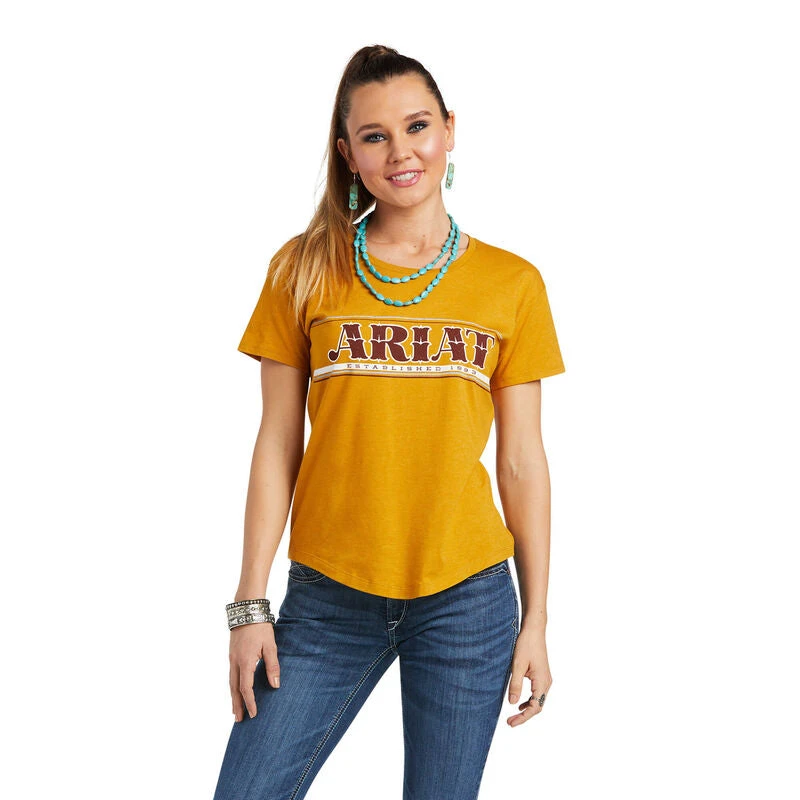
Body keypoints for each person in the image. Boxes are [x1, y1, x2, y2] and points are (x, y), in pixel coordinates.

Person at [213, 44, 566, 800]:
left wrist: (536, 619)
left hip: (467, 599)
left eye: (417, 126)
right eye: (375, 135)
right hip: (329, 598)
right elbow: (277, 445)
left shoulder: (512, 283)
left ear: (449, 130)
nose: (401, 151)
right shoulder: (302, 269)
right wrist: (248, 606)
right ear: (348, 154)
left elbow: (521, 463)